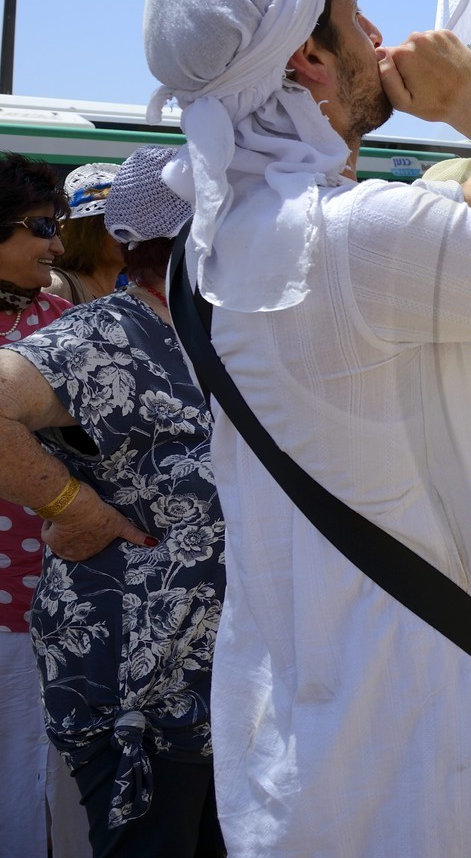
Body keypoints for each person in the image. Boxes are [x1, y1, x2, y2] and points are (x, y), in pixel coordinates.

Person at [28, 0, 471, 856]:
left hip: (305, 723)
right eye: (355, 15)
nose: (379, 34)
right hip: (433, 729)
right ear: (308, 58)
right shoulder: (363, 236)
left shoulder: (206, 248)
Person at [1, 144, 227, 856]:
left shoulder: (219, 331)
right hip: (142, 691)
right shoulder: (105, 334)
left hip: (226, 688)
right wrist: (75, 507)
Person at [0, 153, 88, 858]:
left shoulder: (64, 320)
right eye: (40, 227)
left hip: (58, 595)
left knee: (51, 775)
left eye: (58, 226)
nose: (58, 245)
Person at [45, 162, 124, 305]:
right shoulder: (57, 287)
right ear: (84, 232)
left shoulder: (123, 293)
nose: (128, 233)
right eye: (112, 222)